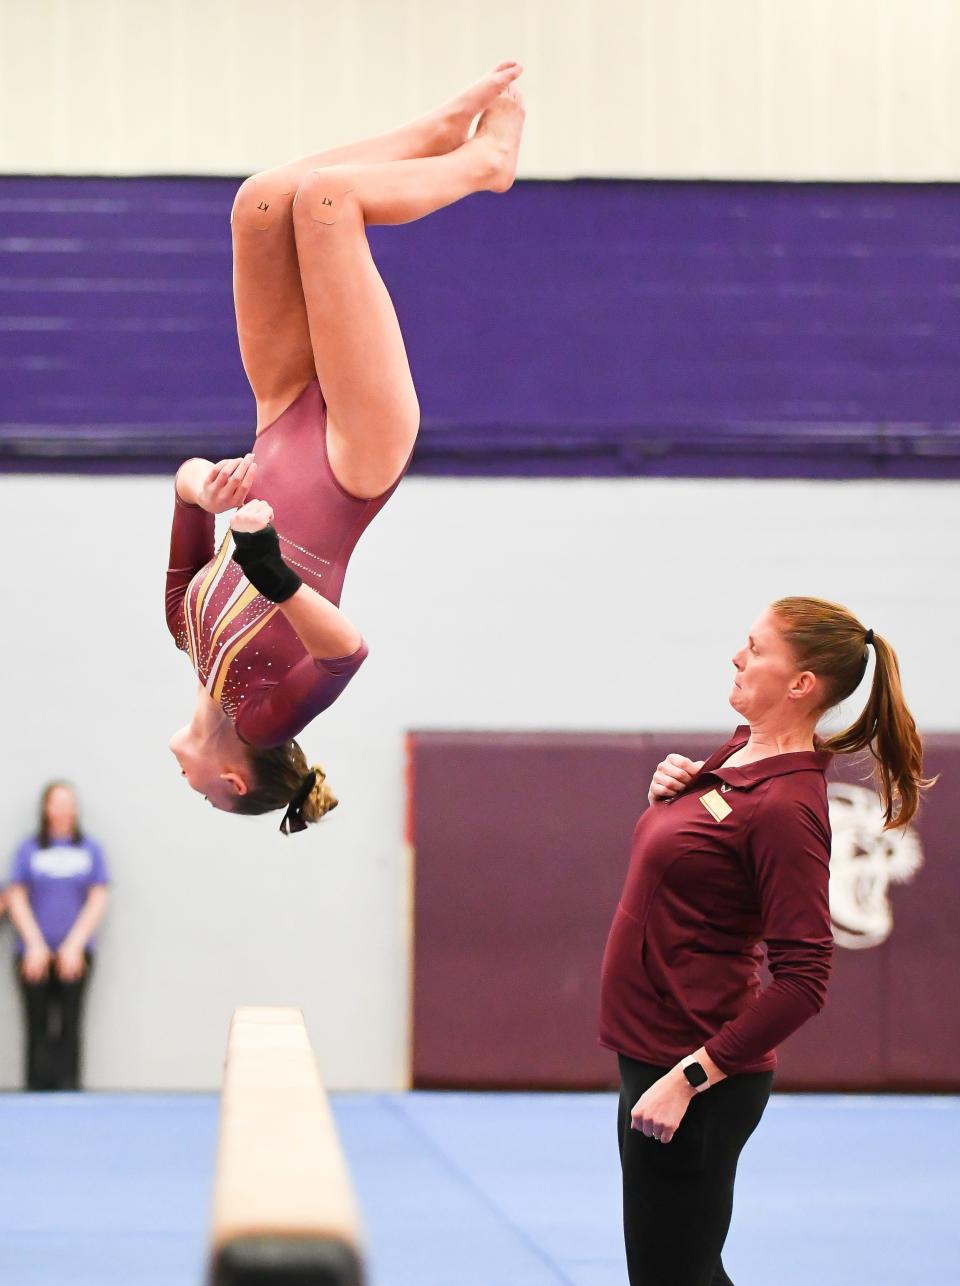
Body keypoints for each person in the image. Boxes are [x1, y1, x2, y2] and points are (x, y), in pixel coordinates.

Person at [165, 63, 526, 831]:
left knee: (262, 203)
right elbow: (346, 653)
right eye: (198, 790)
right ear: (232, 780)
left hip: (279, 415)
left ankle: (426, 137)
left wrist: (206, 492)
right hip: (353, 463)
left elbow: (183, 482)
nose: (183, 776)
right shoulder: (265, 720)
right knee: (331, 205)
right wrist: (265, 568)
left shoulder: (184, 631)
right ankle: (483, 165)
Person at [598, 596, 930, 1286]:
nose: (736, 656)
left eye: (754, 647)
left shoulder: (788, 808)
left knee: (674, 1276)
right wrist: (671, 797)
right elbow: (703, 858)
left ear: (801, 683)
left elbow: (805, 979)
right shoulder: (741, 750)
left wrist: (687, 1081)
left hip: (690, 1076)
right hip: (652, 1054)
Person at [6, 782, 109, 1092]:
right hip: (32, 953)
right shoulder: (30, 849)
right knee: (36, 1024)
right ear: (46, 808)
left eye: (69, 803)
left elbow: (98, 897)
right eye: (57, 803)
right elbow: (16, 896)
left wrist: (74, 945)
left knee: (70, 1023)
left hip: (75, 953)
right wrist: (35, 944)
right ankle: (35, 1090)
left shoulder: (90, 849)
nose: (63, 809)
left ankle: (68, 1088)